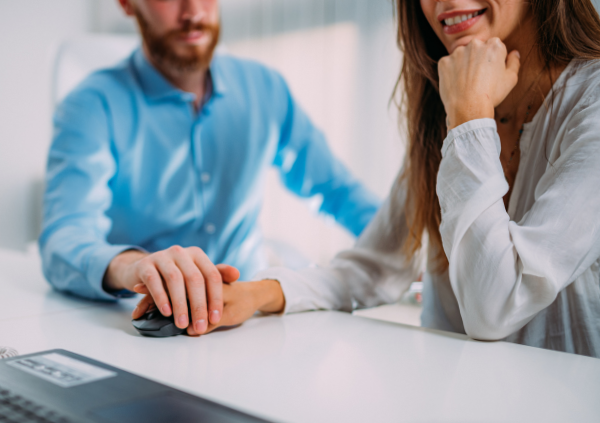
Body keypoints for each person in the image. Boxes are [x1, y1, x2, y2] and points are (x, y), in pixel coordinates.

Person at [147, 0, 600, 355]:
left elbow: (494, 308)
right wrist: (255, 294)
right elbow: (375, 265)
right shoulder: (455, 100)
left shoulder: (583, 104)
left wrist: (468, 119)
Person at [39, 0, 380, 336]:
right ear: (127, 4)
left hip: (253, 319)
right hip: (142, 323)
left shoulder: (265, 87)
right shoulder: (91, 105)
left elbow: (337, 192)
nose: (193, 12)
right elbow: (65, 235)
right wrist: (131, 267)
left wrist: (414, 253)